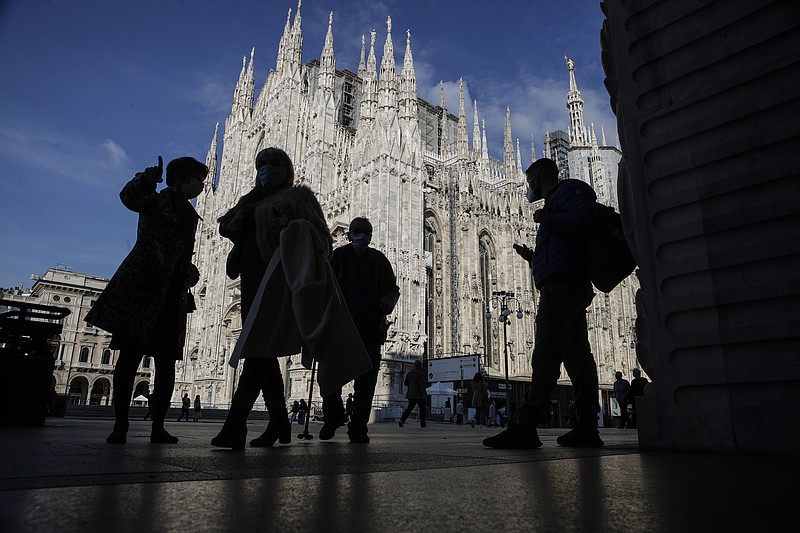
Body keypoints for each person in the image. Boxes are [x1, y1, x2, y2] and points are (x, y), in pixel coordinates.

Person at [211, 147, 330, 449]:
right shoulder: (252, 199)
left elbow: (322, 241)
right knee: (263, 353)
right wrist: (241, 213)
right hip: (250, 282)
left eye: (274, 164)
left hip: (279, 282)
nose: (267, 168)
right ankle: (279, 422)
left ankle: (235, 424)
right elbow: (224, 223)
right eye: (262, 164)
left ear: (286, 169)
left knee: (257, 351)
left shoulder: (298, 198)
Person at [85, 155, 207, 444]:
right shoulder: (155, 200)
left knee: (166, 363)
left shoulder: (190, 215)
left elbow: (183, 253)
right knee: (128, 359)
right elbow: (128, 197)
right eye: (198, 180)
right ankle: (121, 425)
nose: (202, 186)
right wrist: (145, 178)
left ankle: (158, 426)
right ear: (181, 179)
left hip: (171, 294)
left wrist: (189, 274)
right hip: (143, 289)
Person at [484, 157, 604, 449]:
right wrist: (532, 257)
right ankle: (587, 426)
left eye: (529, 182)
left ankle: (527, 424)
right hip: (564, 284)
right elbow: (561, 247)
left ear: (537, 178)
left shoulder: (569, 192)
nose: (528, 189)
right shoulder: (556, 201)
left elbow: (587, 218)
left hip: (563, 288)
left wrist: (546, 218)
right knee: (577, 359)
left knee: (546, 354)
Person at [319, 216, 400, 443]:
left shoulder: (379, 260)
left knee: (367, 379)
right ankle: (332, 416)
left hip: (370, 326)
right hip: (341, 325)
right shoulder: (337, 257)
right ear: (349, 233)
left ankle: (358, 427)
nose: (361, 235)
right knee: (329, 375)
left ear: (370, 236)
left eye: (365, 231)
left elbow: (393, 289)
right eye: (357, 230)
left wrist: (388, 300)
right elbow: (324, 284)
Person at [398, 359, 427, 428]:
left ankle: (402, 420)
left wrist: (411, 386)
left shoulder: (409, 373)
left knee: (409, 408)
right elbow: (421, 384)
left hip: (410, 394)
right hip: (419, 395)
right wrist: (424, 393)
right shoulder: (420, 373)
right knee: (422, 409)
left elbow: (405, 383)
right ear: (420, 366)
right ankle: (423, 424)